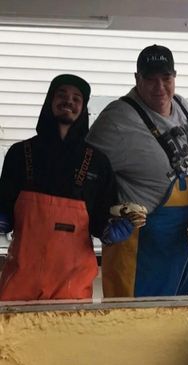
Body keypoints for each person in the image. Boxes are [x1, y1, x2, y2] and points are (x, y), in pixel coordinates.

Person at [86, 44, 188, 297]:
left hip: (186, 248)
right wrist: (103, 220)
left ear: (175, 77)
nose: (160, 87)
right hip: (142, 251)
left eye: (166, 78)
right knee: (134, 329)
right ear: (136, 79)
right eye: (150, 79)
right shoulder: (117, 118)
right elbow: (82, 174)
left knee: (173, 327)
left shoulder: (184, 107)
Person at [0, 74, 133, 301]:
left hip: (73, 284)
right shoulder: (19, 153)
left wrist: (110, 230)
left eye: (76, 98)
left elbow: (103, 216)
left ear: (83, 108)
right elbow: (5, 206)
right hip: (21, 281)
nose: (68, 101)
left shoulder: (98, 163)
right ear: (49, 102)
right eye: (61, 95)